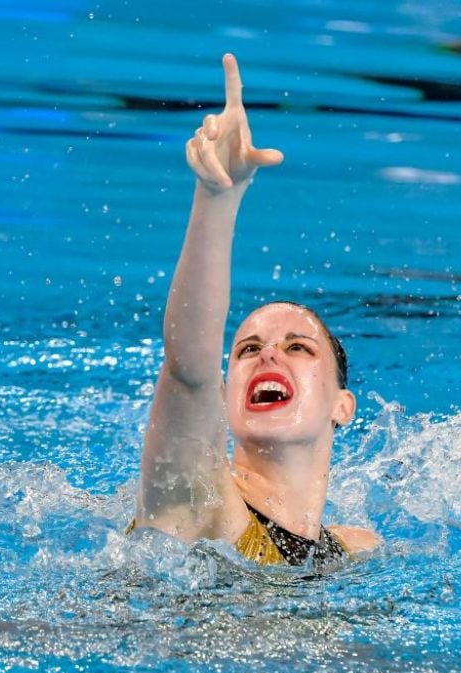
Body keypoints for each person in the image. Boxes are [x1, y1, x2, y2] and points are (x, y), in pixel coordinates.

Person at [132, 54, 379, 566]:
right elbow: (188, 371)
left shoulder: (354, 548)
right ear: (226, 399)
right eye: (247, 349)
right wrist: (217, 198)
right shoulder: (205, 504)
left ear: (343, 406)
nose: (268, 357)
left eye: (297, 347)